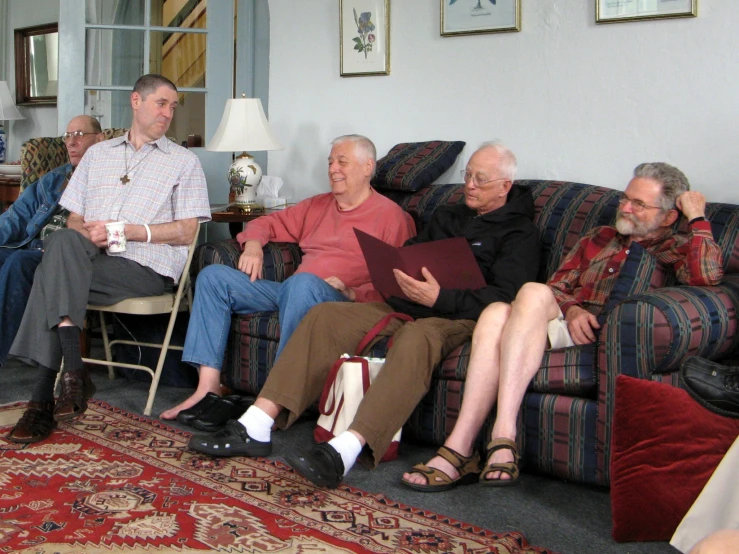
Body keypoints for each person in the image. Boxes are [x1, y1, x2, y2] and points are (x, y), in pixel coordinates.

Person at [188, 141, 542, 489]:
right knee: (325, 316)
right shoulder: (449, 215)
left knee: (414, 338)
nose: (470, 184)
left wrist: (438, 297)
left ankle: (345, 449)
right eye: (467, 176)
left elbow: (504, 299)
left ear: (505, 186)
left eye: (480, 179)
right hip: (402, 302)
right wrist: (400, 275)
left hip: (456, 317)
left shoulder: (520, 233)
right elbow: (408, 256)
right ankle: (256, 424)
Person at [402, 162, 724, 490]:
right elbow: (557, 286)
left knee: (520, 298)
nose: (625, 208)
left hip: (607, 336)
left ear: (669, 216)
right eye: (625, 198)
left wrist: (697, 218)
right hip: (562, 323)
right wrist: (572, 311)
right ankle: (479, 441)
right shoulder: (600, 236)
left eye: (638, 204)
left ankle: (470, 448)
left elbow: (707, 276)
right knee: (500, 310)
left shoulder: (677, 248)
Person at [6, 74, 211, 444]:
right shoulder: (99, 154)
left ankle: (42, 400)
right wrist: (91, 234)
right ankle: (72, 375)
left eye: (173, 106)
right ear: (136, 101)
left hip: (146, 267)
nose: (168, 113)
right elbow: (73, 218)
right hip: (91, 259)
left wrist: (125, 231)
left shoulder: (184, 162)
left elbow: (187, 231)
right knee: (65, 241)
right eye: (161, 103)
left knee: (49, 272)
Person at [160, 134, 415, 421]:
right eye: (330, 161)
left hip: (340, 301)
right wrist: (254, 245)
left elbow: (399, 285)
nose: (332, 169)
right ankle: (207, 389)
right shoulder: (317, 205)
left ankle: (276, 398)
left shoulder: (392, 218)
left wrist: (354, 293)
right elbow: (267, 222)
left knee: (302, 283)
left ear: (368, 167)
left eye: (342, 162)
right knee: (213, 277)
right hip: (293, 291)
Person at [0, 115, 103, 368]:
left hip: (61, 255)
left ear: (100, 139)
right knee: (12, 255)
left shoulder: (109, 182)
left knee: (19, 262)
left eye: (80, 135)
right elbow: (16, 218)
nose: (71, 142)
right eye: (68, 136)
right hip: (29, 245)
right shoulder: (54, 179)